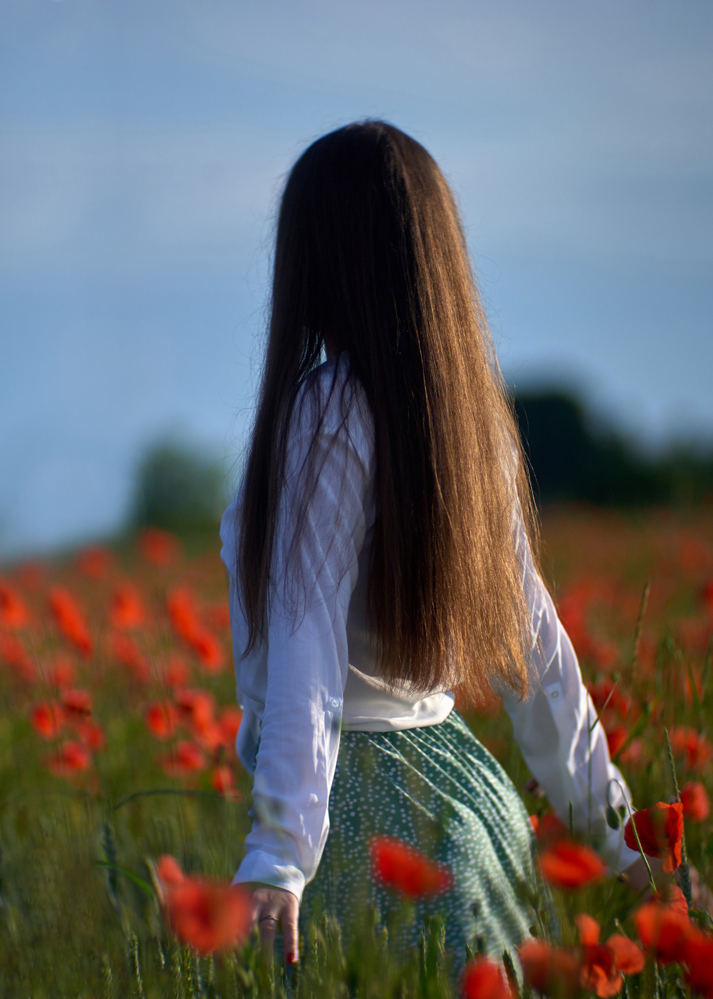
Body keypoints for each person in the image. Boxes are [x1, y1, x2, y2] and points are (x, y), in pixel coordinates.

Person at [218, 119, 653, 972]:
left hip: (358, 814)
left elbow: (305, 641)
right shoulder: (471, 424)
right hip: (467, 803)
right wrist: (623, 844)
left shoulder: (329, 411)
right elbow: (539, 655)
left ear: (318, 258)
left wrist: (279, 849)